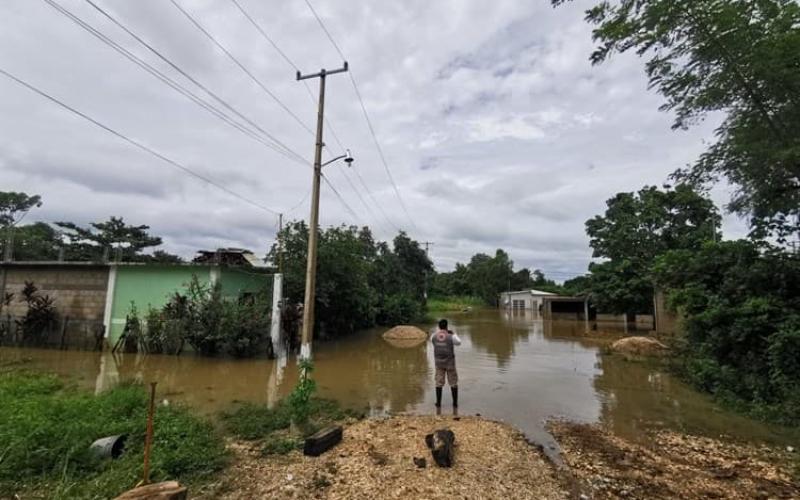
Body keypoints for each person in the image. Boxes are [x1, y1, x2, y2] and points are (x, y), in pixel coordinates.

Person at [431, 318, 461, 407]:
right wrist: (453, 333)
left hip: (439, 363)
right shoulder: (451, 336)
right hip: (450, 363)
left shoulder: (434, 336)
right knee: (453, 382)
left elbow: (433, 342)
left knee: (439, 382)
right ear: (447, 326)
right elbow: (459, 343)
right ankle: (455, 404)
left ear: (439, 326)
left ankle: (438, 403)